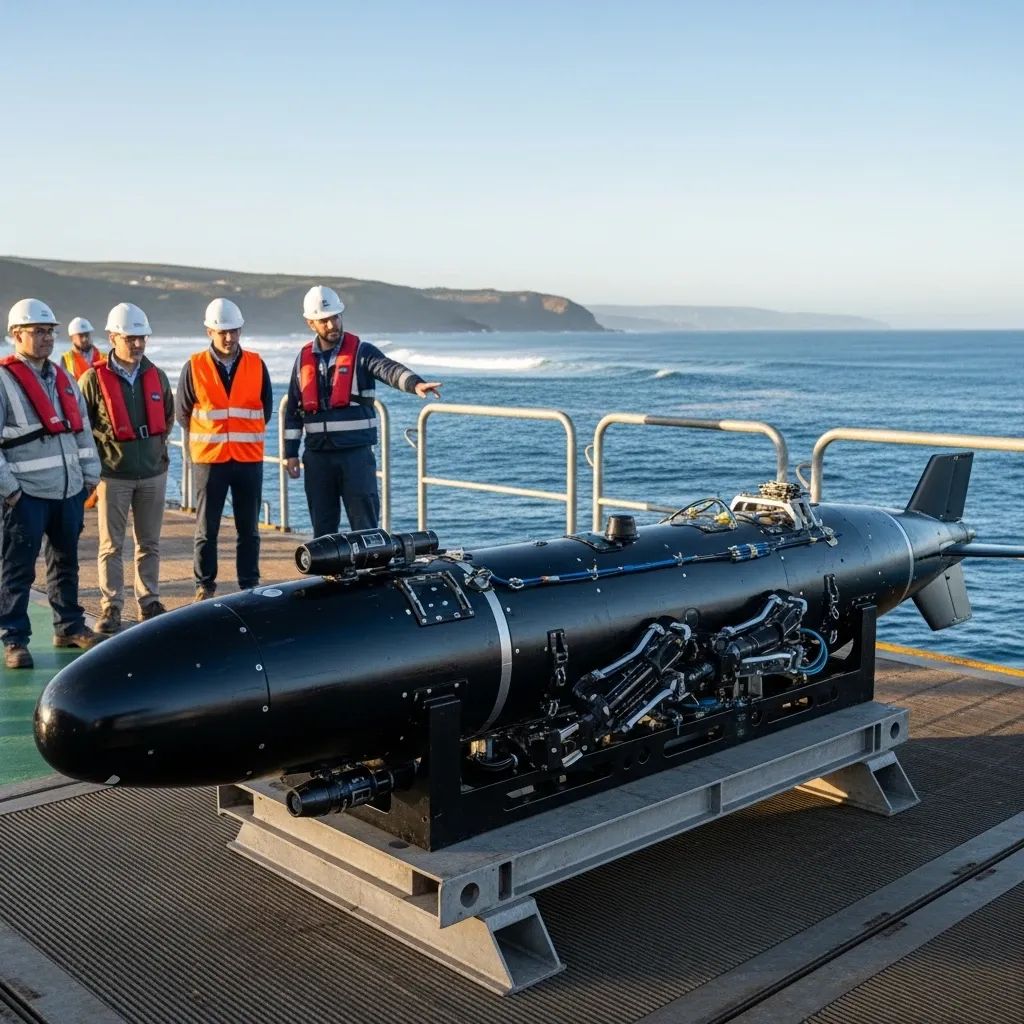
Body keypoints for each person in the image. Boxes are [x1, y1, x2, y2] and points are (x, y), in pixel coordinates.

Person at [284, 285, 442, 537]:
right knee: (323, 531)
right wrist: (291, 453)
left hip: (355, 456)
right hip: (317, 456)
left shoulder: (361, 352)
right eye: (324, 320)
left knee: (365, 528)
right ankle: (331, 577)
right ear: (310, 323)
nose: (332, 324)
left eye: (336, 317)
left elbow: (388, 369)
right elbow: (293, 409)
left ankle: (369, 575)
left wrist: (415, 384)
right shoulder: (303, 360)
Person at [0, 298, 104, 669]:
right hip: (25, 494)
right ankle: (14, 639)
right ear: (17, 335)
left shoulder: (64, 378)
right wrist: (10, 490)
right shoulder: (3, 380)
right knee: (17, 567)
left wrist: (90, 478)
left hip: (68, 491)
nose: (46, 338)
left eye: (49, 332)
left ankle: (69, 626)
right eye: (38, 331)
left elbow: (83, 433)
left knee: (66, 562)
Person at [79, 303, 174, 633]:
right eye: (131, 338)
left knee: (150, 543)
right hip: (113, 475)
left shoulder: (157, 376)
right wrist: (94, 467)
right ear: (113, 337)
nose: (138, 344)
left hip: (152, 473)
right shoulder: (92, 379)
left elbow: (168, 418)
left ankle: (149, 600)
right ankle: (111, 606)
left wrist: (157, 454)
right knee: (111, 545)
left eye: (142, 338)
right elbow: (82, 425)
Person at [175, 298, 273, 601]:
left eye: (233, 331)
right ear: (209, 332)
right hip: (209, 461)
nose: (228, 338)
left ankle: (249, 582)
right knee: (207, 529)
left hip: (247, 460)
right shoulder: (194, 366)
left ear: (240, 330)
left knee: (249, 529)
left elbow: (265, 408)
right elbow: (183, 413)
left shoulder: (257, 364)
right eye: (222, 332)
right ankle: (204, 585)